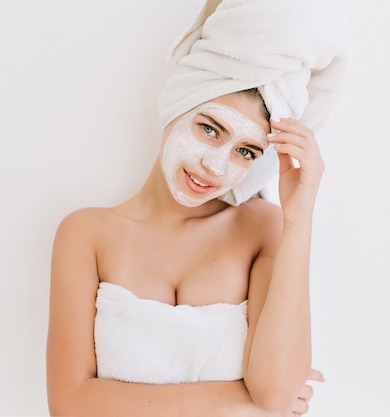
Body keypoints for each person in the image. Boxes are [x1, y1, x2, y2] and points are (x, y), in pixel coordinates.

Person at [46, 0, 350, 415]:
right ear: (178, 102)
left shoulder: (263, 228)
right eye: (210, 128)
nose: (215, 166)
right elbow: (69, 405)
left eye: (246, 151)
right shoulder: (86, 234)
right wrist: (241, 398)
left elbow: (277, 395)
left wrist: (299, 218)